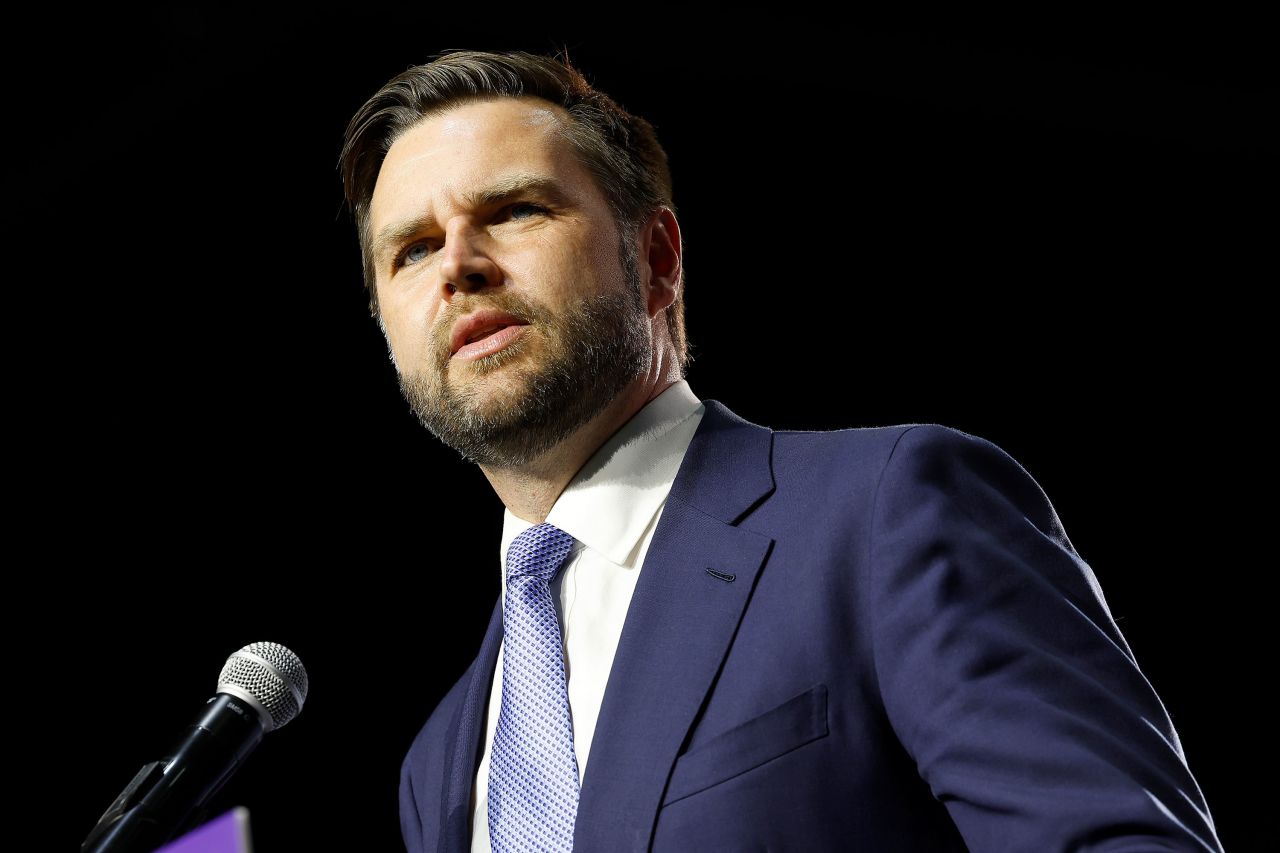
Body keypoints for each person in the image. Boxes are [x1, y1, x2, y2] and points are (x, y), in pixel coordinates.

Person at [339, 49, 1222, 853]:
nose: (458, 264)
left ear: (656, 258)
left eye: (516, 209)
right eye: (412, 250)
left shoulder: (884, 514)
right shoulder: (438, 762)